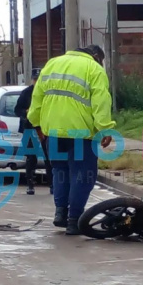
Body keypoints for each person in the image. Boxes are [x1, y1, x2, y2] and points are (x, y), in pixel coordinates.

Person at [27, 44, 116, 235]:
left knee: (60, 172)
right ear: (95, 56)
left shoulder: (51, 64)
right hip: (80, 134)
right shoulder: (93, 69)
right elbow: (101, 101)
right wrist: (105, 128)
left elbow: (37, 97)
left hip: (53, 133)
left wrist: (36, 123)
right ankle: (74, 220)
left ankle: (60, 213)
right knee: (82, 177)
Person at [14, 68, 53, 195]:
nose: (37, 82)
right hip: (29, 129)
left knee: (49, 157)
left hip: (45, 129)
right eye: (35, 79)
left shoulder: (48, 92)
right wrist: (26, 113)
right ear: (32, 80)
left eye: (39, 79)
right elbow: (17, 110)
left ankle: (52, 185)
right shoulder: (26, 93)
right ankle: (30, 184)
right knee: (31, 158)